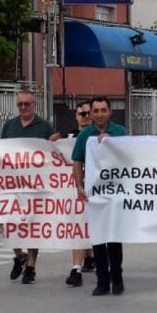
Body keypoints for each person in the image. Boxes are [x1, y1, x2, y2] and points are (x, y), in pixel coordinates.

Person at [72, 96, 128, 296]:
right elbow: (77, 162)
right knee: (98, 239)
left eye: (103, 110)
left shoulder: (120, 132)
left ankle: (117, 279)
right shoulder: (85, 136)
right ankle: (102, 281)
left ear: (110, 112)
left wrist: (111, 143)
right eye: (95, 111)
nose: (99, 114)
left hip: (115, 194)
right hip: (94, 195)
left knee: (113, 237)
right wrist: (79, 185)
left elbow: (129, 156)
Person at [1, 88, 56, 285]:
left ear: (34, 105)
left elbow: (53, 154)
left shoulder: (45, 127)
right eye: (20, 104)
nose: (23, 107)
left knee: (33, 225)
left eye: (27, 104)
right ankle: (19, 255)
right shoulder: (9, 126)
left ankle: (31, 266)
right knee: (7, 222)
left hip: (35, 185)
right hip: (12, 184)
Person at [65, 100, 94, 287]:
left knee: (93, 227)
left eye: (87, 113)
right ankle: (76, 267)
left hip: (97, 189)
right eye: (80, 114)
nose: (84, 117)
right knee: (79, 225)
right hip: (77, 190)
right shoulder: (68, 138)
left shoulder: (98, 136)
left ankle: (92, 257)